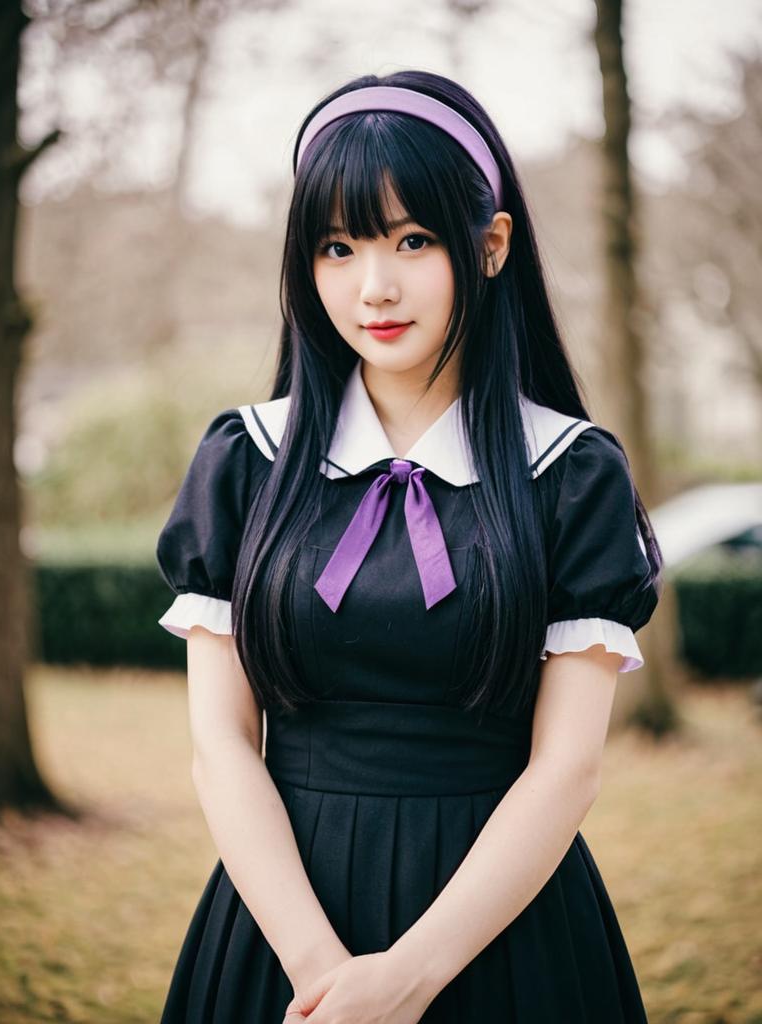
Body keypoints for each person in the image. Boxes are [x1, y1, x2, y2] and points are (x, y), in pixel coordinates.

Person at [154, 69, 663, 1024]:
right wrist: (322, 974)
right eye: (337, 247)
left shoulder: (571, 472)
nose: (373, 286)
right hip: (280, 925)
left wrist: (408, 978)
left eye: (413, 240)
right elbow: (222, 743)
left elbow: (568, 768)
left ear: (492, 244)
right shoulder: (243, 461)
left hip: (502, 933)